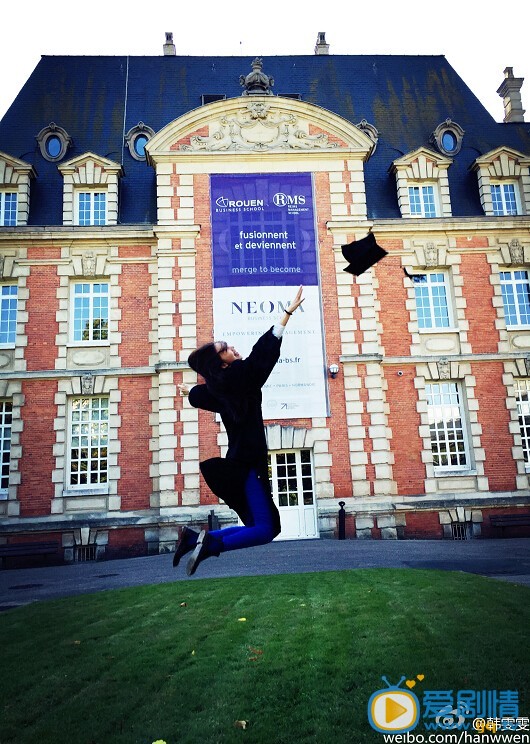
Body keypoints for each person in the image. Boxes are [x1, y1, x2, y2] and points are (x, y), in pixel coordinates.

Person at [174, 285, 304, 575]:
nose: (232, 348)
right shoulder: (239, 377)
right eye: (226, 349)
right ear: (222, 362)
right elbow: (262, 356)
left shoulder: (220, 386)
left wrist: (188, 391)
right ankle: (209, 545)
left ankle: (195, 539)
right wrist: (285, 315)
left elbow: (203, 394)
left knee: (260, 525)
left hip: (239, 461)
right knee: (266, 529)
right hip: (247, 463)